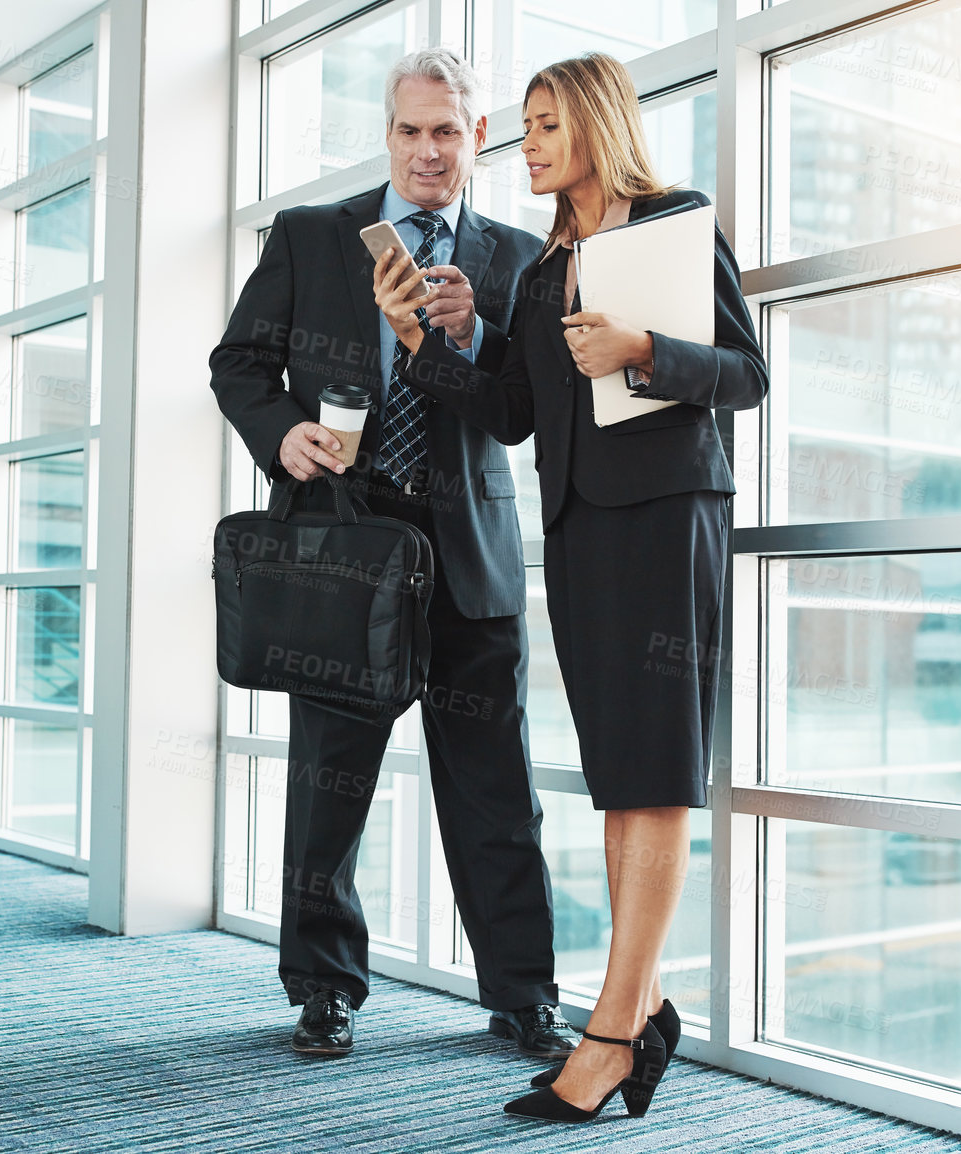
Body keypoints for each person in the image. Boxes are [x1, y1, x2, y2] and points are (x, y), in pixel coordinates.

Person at [373, 53, 767, 1122]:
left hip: (665, 525)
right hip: (583, 536)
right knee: (620, 777)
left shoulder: (671, 224)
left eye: (545, 124)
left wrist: (644, 347)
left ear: (594, 123)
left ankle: (610, 1033)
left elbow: (745, 372)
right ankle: (632, 1016)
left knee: (655, 775)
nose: (528, 143)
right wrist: (423, 336)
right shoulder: (546, 268)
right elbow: (510, 413)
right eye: (526, 127)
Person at [209, 47, 571, 1060]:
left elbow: (523, 411)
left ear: (478, 136)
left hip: (469, 555)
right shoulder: (312, 237)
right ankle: (323, 987)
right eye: (409, 130)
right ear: (387, 132)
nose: (426, 150)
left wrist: (469, 341)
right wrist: (282, 432)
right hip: (344, 545)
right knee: (330, 785)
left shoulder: (514, 259)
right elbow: (238, 363)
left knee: (497, 790)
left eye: (446, 131)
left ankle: (522, 994)